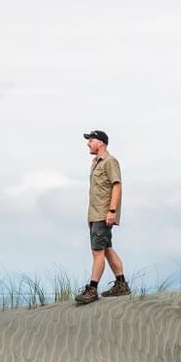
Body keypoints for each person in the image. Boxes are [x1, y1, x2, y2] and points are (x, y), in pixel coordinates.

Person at [75, 130, 126, 305]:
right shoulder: (96, 163)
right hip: (96, 214)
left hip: (104, 213)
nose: (88, 144)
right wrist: (91, 216)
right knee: (107, 248)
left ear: (101, 143)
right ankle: (121, 284)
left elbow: (116, 186)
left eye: (91, 140)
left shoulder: (109, 161)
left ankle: (92, 289)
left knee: (97, 252)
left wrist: (112, 211)